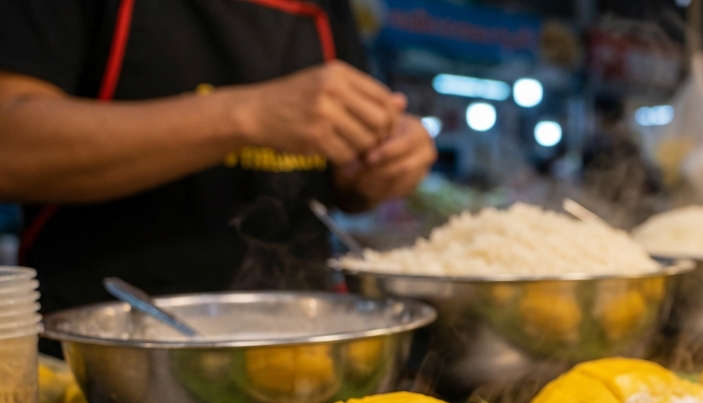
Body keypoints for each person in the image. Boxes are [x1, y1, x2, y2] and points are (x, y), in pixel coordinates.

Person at [0, 0, 437, 314]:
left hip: (299, 338)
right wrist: (248, 114)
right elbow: (12, 149)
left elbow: (344, 182)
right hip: (105, 352)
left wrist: (380, 164)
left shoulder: (329, 8)